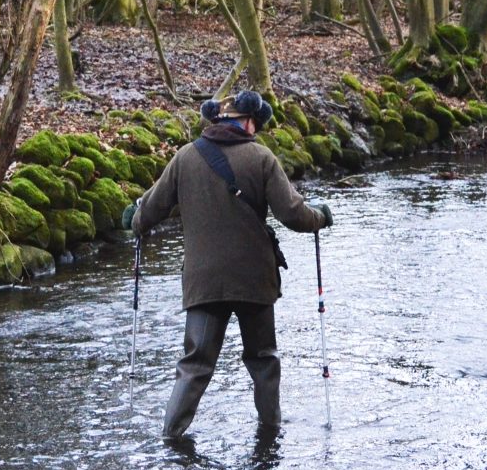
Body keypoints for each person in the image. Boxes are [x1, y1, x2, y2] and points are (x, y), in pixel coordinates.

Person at [123, 90, 332, 441]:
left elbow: (151, 209)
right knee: (263, 361)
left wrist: (134, 219)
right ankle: (270, 435)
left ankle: (171, 437)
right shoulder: (261, 158)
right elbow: (294, 214)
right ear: (247, 122)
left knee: (195, 365)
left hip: (204, 283)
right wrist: (321, 217)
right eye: (256, 124)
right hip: (254, 281)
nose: (257, 130)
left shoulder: (185, 157)